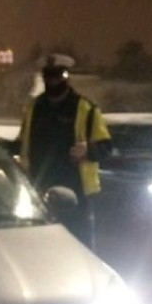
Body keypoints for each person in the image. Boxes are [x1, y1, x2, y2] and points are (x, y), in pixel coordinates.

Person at [14, 53, 111, 249]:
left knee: (78, 246)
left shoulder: (86, 108)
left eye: (58, 76)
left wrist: (89, 150)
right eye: (48, 76)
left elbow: (106, 147)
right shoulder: (34, 107)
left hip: (77, 192)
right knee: (42, 247)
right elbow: (22, 143)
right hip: (40, 191)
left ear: (66, 77)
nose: (53, 81)